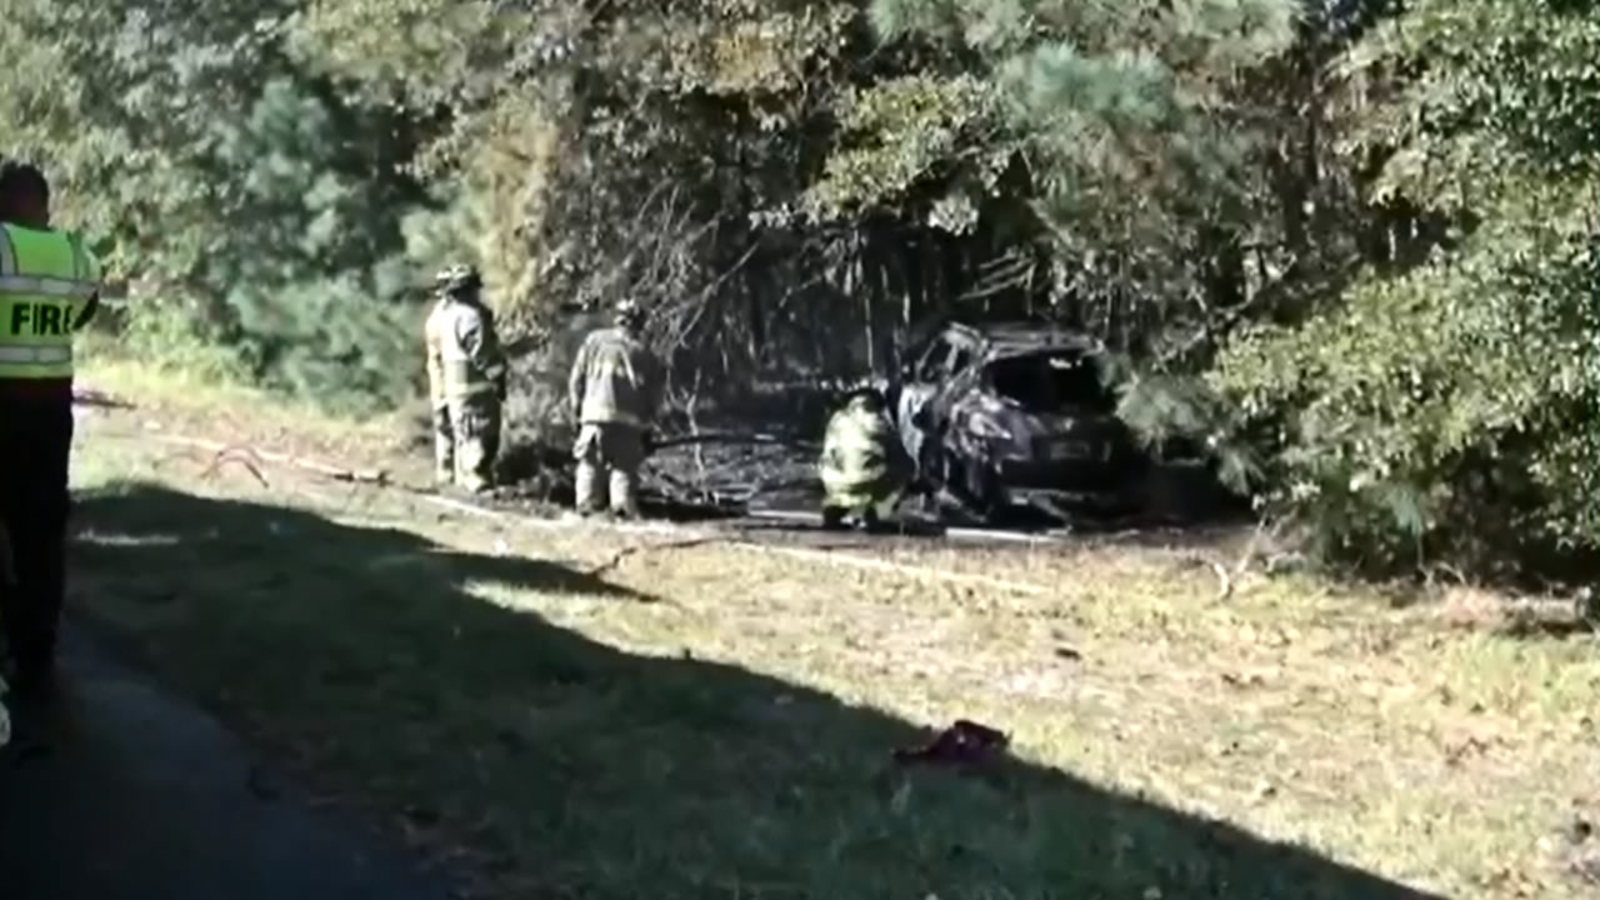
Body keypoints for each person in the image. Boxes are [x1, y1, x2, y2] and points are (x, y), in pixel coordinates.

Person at [0, 161, 103, 702]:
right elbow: (80, 316)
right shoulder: (77, 256)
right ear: (44, 206)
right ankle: (36, 651)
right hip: (48, 409)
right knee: (40, 531)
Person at [567, 298, 663, 518]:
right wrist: (648, 430)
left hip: (592, 419)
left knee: (589, 465)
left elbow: (576, 380)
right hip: (628, 427)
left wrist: (576, 413)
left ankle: (586, 511)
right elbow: (653, 399)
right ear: (640, 324)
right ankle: (622, 512)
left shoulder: (593, 341)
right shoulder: (645, 355)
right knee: (624, 470)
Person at [424, 263, 506, 494]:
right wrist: (498, 376)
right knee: (478, 433)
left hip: (454, 388)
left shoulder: (445, 316)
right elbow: (482, 352)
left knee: (463, 434)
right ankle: (476, 483)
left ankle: (458, 479)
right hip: (475, 389)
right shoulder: (471, 317)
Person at [819, 383, 912, 531]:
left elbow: (828, 452)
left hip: (833, 481)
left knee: (845, 467)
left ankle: (835, 509)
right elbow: (900, 455)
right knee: (904, 469)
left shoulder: (836, 420)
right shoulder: (879, 421)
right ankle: (876, 513)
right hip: (866, 482)